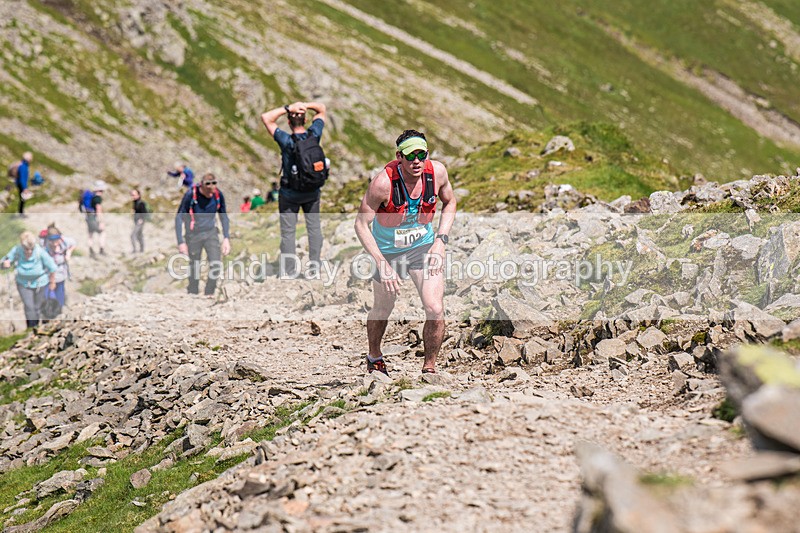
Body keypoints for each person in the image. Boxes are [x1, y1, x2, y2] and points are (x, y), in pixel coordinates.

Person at [354, 130, 456, 375]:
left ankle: (429, 369)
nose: (417, 161)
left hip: (423, 247)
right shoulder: (383, 183)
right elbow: (360, 224)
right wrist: (381, 263)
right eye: (410, 156)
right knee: (383, 308)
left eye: (422, 154)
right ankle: (374, 356)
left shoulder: (437, 173)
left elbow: (449, 202)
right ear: (399, 156)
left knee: (435, 308)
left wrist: (441, 240)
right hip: (387, 252)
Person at [261, 101, 327, 276]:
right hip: (312, 192)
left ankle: (289, 271)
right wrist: (303, 105)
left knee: (288, 233)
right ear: (305, 120)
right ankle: (315, 268)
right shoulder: (315, 135)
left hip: (289, 194)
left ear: (289, 123)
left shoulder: (286, 140)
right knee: (314, 229)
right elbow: (321, 109)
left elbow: (266, 118)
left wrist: (287, 108)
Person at [175, 173, 231, 296]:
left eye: (214, 185)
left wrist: (226, 238)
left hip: (211, 232)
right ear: (202, 186)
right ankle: (193, 292)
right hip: (193, 234)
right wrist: (181, 242)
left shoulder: (217, 195)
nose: (211, 192)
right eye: (208, 190)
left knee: (216, 264)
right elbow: (179, 217)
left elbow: (224, 216)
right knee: (195, 265)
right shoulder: (191, 195)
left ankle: (209, 293)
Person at [1, 231, 57, 328]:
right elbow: (5, 260)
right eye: (26, 249)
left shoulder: (40, 252)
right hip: (23, 284)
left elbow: (52, 267)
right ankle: (32, 328)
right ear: (22, 246)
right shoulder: (17, 250)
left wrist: (52, 282)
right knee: (29, 307)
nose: (29, 252)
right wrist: (5, 263)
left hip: (41, 283)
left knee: (38, 307)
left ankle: (43, 327)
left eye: (31, 249)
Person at [41, 224, 75, 308]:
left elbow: (73, 243)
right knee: (48, 295)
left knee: (60, 293)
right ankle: (48, 313)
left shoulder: (65, 241)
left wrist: (69, 252)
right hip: (48, 274)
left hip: (61, 272)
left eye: (57, 241)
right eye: (52, 241)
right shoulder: (44, 247)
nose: (55, 244)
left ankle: (59, 310)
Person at [85, 180, 107, 258]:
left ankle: (91, 250)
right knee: (102, 232)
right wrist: (101, 221)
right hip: (94, 217)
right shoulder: (98, 198)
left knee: (90, 234)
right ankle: (101, 249)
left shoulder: (91, 196)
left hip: (88, 217)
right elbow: (98, 209)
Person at [14, 152, 33, 217]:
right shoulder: (23, 166)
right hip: (21, 185)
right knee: (22, 199)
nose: (31, 159)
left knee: (22, 199)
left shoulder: (23, 165)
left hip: (20, 184)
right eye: (31, 157)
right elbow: (22, 178)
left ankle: (21, 213)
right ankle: (21, 213)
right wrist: (24, 188)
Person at [131, 188, 148, 253]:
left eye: (134, 195)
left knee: (133, 235)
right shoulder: (135, 203)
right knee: (139, 235)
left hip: (140, 222)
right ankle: (142, 250)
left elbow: (145, 212)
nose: (132, 196)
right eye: (131, 195)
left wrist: (141, 219)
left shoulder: (141, 203)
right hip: (136, 221)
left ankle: (135, 250)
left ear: (138, 195)